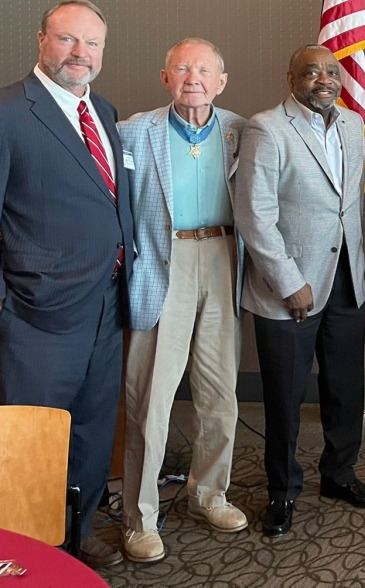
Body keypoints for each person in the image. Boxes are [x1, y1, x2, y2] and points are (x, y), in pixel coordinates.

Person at [0, 0, 135, 569]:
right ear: (41, 40)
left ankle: (71, 537)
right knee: (30, 439)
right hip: (35, 315)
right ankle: (23, 553)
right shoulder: (9, 112)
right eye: (68, 40)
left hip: (104, 305)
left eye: (92, 43)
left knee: (90, 428)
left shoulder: (102, 111)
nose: (80, 53)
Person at [235, 45, 365, 538]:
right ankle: (282, 490)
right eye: (312, 71)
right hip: (289, 290)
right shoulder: (267, 128)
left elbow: (346, 208)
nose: (324, 79)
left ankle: (339, 475)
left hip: (345, 283)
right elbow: (255, 215)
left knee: (345, 388)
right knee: (284, 396)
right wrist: (287, 281)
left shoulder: (349, 127)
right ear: (290, 76)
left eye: (332, 71)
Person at [117, 38, 249, 562]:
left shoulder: (244, 131)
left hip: (221, 258)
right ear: (165, 77)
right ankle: (139, 518)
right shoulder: (133, 131)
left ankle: (208, 493)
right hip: (160, 264)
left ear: (221, 81)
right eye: (181, 69)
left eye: (204, 70)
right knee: (150, 401)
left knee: (221, 394)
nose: (192, 77)